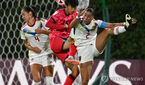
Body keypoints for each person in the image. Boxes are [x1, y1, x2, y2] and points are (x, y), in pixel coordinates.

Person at [70, 7, 137, 85]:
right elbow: (71, 25)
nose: (86, 18)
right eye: (85, 15)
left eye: (89, 16)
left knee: (107, 30)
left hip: (94, 45)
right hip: (83, 50)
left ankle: (126, 28)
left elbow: (111, 25)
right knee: (85, 81)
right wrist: (78, 16)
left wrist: (125, 23)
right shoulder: (78, 20)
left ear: (92, 17)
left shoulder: (95, 22)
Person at [45, 0, 80, 85]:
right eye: (72, 7)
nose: (74, 9)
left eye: (75, 7)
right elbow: (48, 24)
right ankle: (71, 56)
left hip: (65, 45)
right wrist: (61, 27)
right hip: (56, 40)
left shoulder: (75, 14)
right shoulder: (59, 13)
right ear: (66, 5)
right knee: (75, 39)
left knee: (76, 70)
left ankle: (70, 57)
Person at [20, 6, 54, 85]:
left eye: (24, 14)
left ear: (30, 13)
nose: (22, 17)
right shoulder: (23, 29)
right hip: (35, 55)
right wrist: (32, 48)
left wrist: (41, 31)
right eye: (22, 15)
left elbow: (53, 32)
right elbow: (26, 43)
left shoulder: (42, 22)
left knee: (49, 83)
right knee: (37, 81)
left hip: (47, 53)